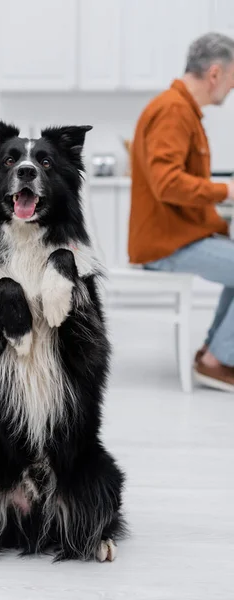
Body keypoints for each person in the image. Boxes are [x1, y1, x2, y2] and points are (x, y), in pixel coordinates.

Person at [129, 32, 234, 392]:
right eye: (233, 79)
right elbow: (168, 183)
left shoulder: (180, 110)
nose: (232, 89)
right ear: (216, 74)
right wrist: (228, 190)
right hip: (166, 245)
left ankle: (215, 354)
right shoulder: (173, 111)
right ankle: (217, 360)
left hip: (177, 237)